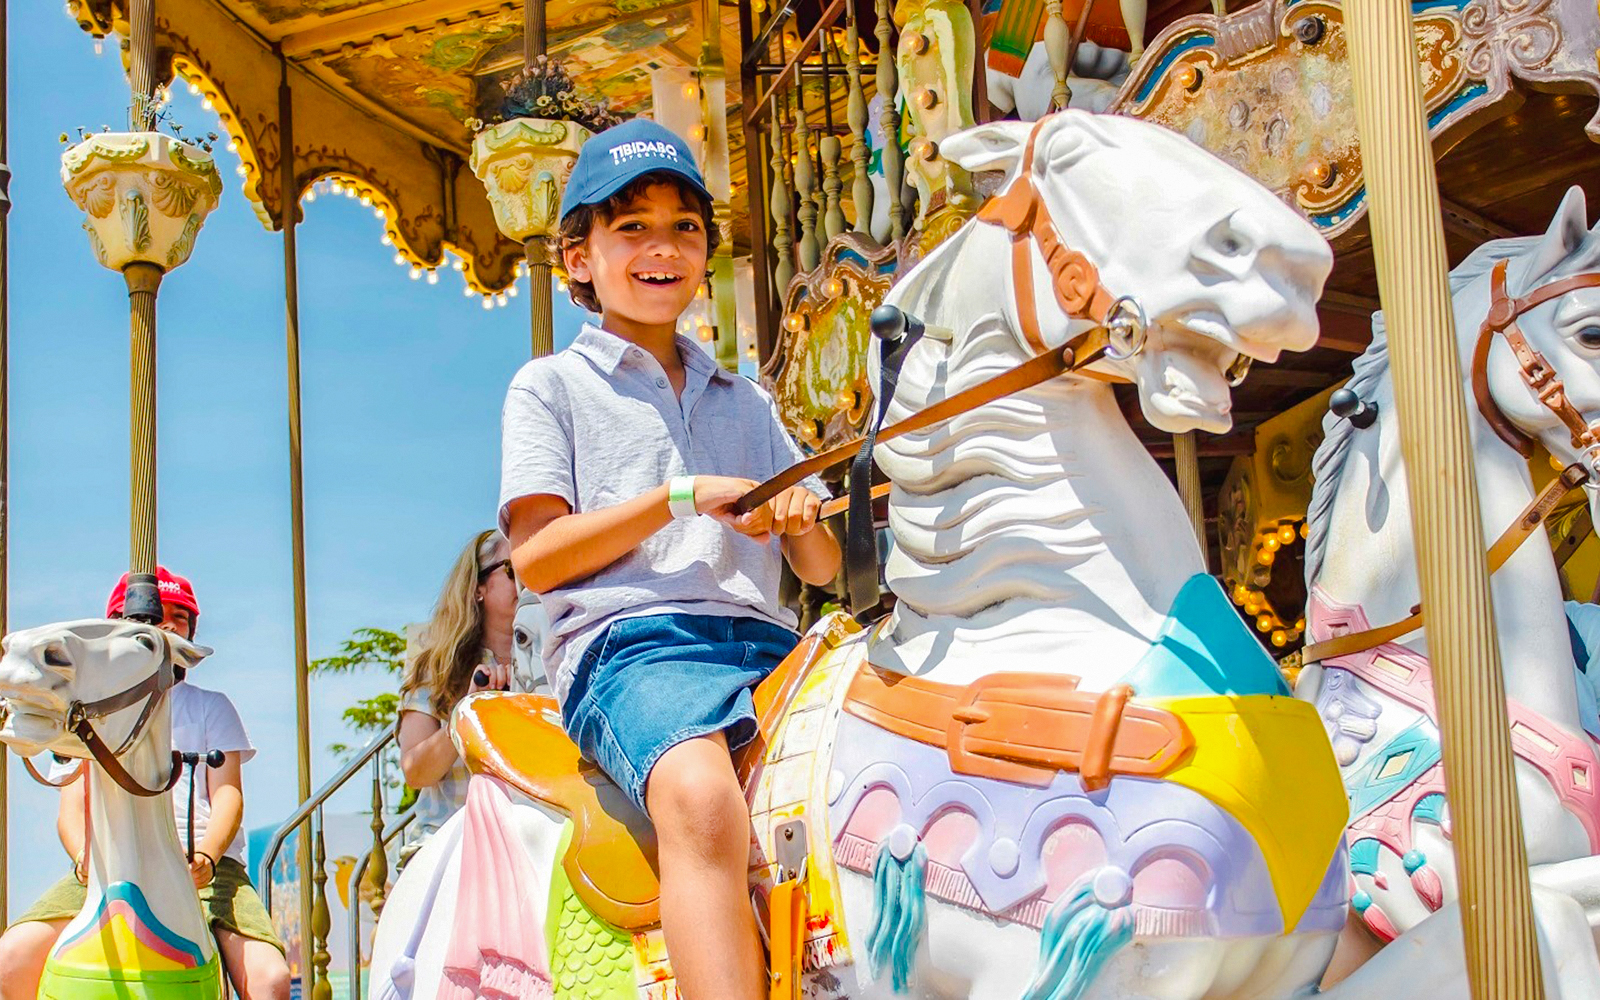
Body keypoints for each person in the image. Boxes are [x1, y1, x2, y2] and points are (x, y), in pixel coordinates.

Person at [500, 118, 841, 999]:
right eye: (632, 228)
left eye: (684, 227)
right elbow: (536, 560)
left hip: (771, 644)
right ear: (579, 258)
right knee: (699, 798)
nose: (663, 248)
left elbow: (822, 570)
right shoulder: (550, 387)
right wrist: (678, 497)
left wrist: (799, 516)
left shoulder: (746, 399)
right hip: (636, 650)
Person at [0, 567, 291, 1000]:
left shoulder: (210, 707)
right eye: (141, 620)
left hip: (203, 866)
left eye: (179, 615)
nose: (164, 623)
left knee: (269, 980)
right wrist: (83, 854)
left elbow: (228, 793)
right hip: (105, 861)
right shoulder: (91, 713)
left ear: (191, 632)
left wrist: (209, 856)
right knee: (10, 960)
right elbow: (70, 806)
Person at [396, 529, 529, 857]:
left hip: (530, 838)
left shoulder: (552, 660)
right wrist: (467, 713)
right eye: (513, 569)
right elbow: (415, 771)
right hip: (450, 842)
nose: (526, 579)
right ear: (478, 587)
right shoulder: (437, 667)